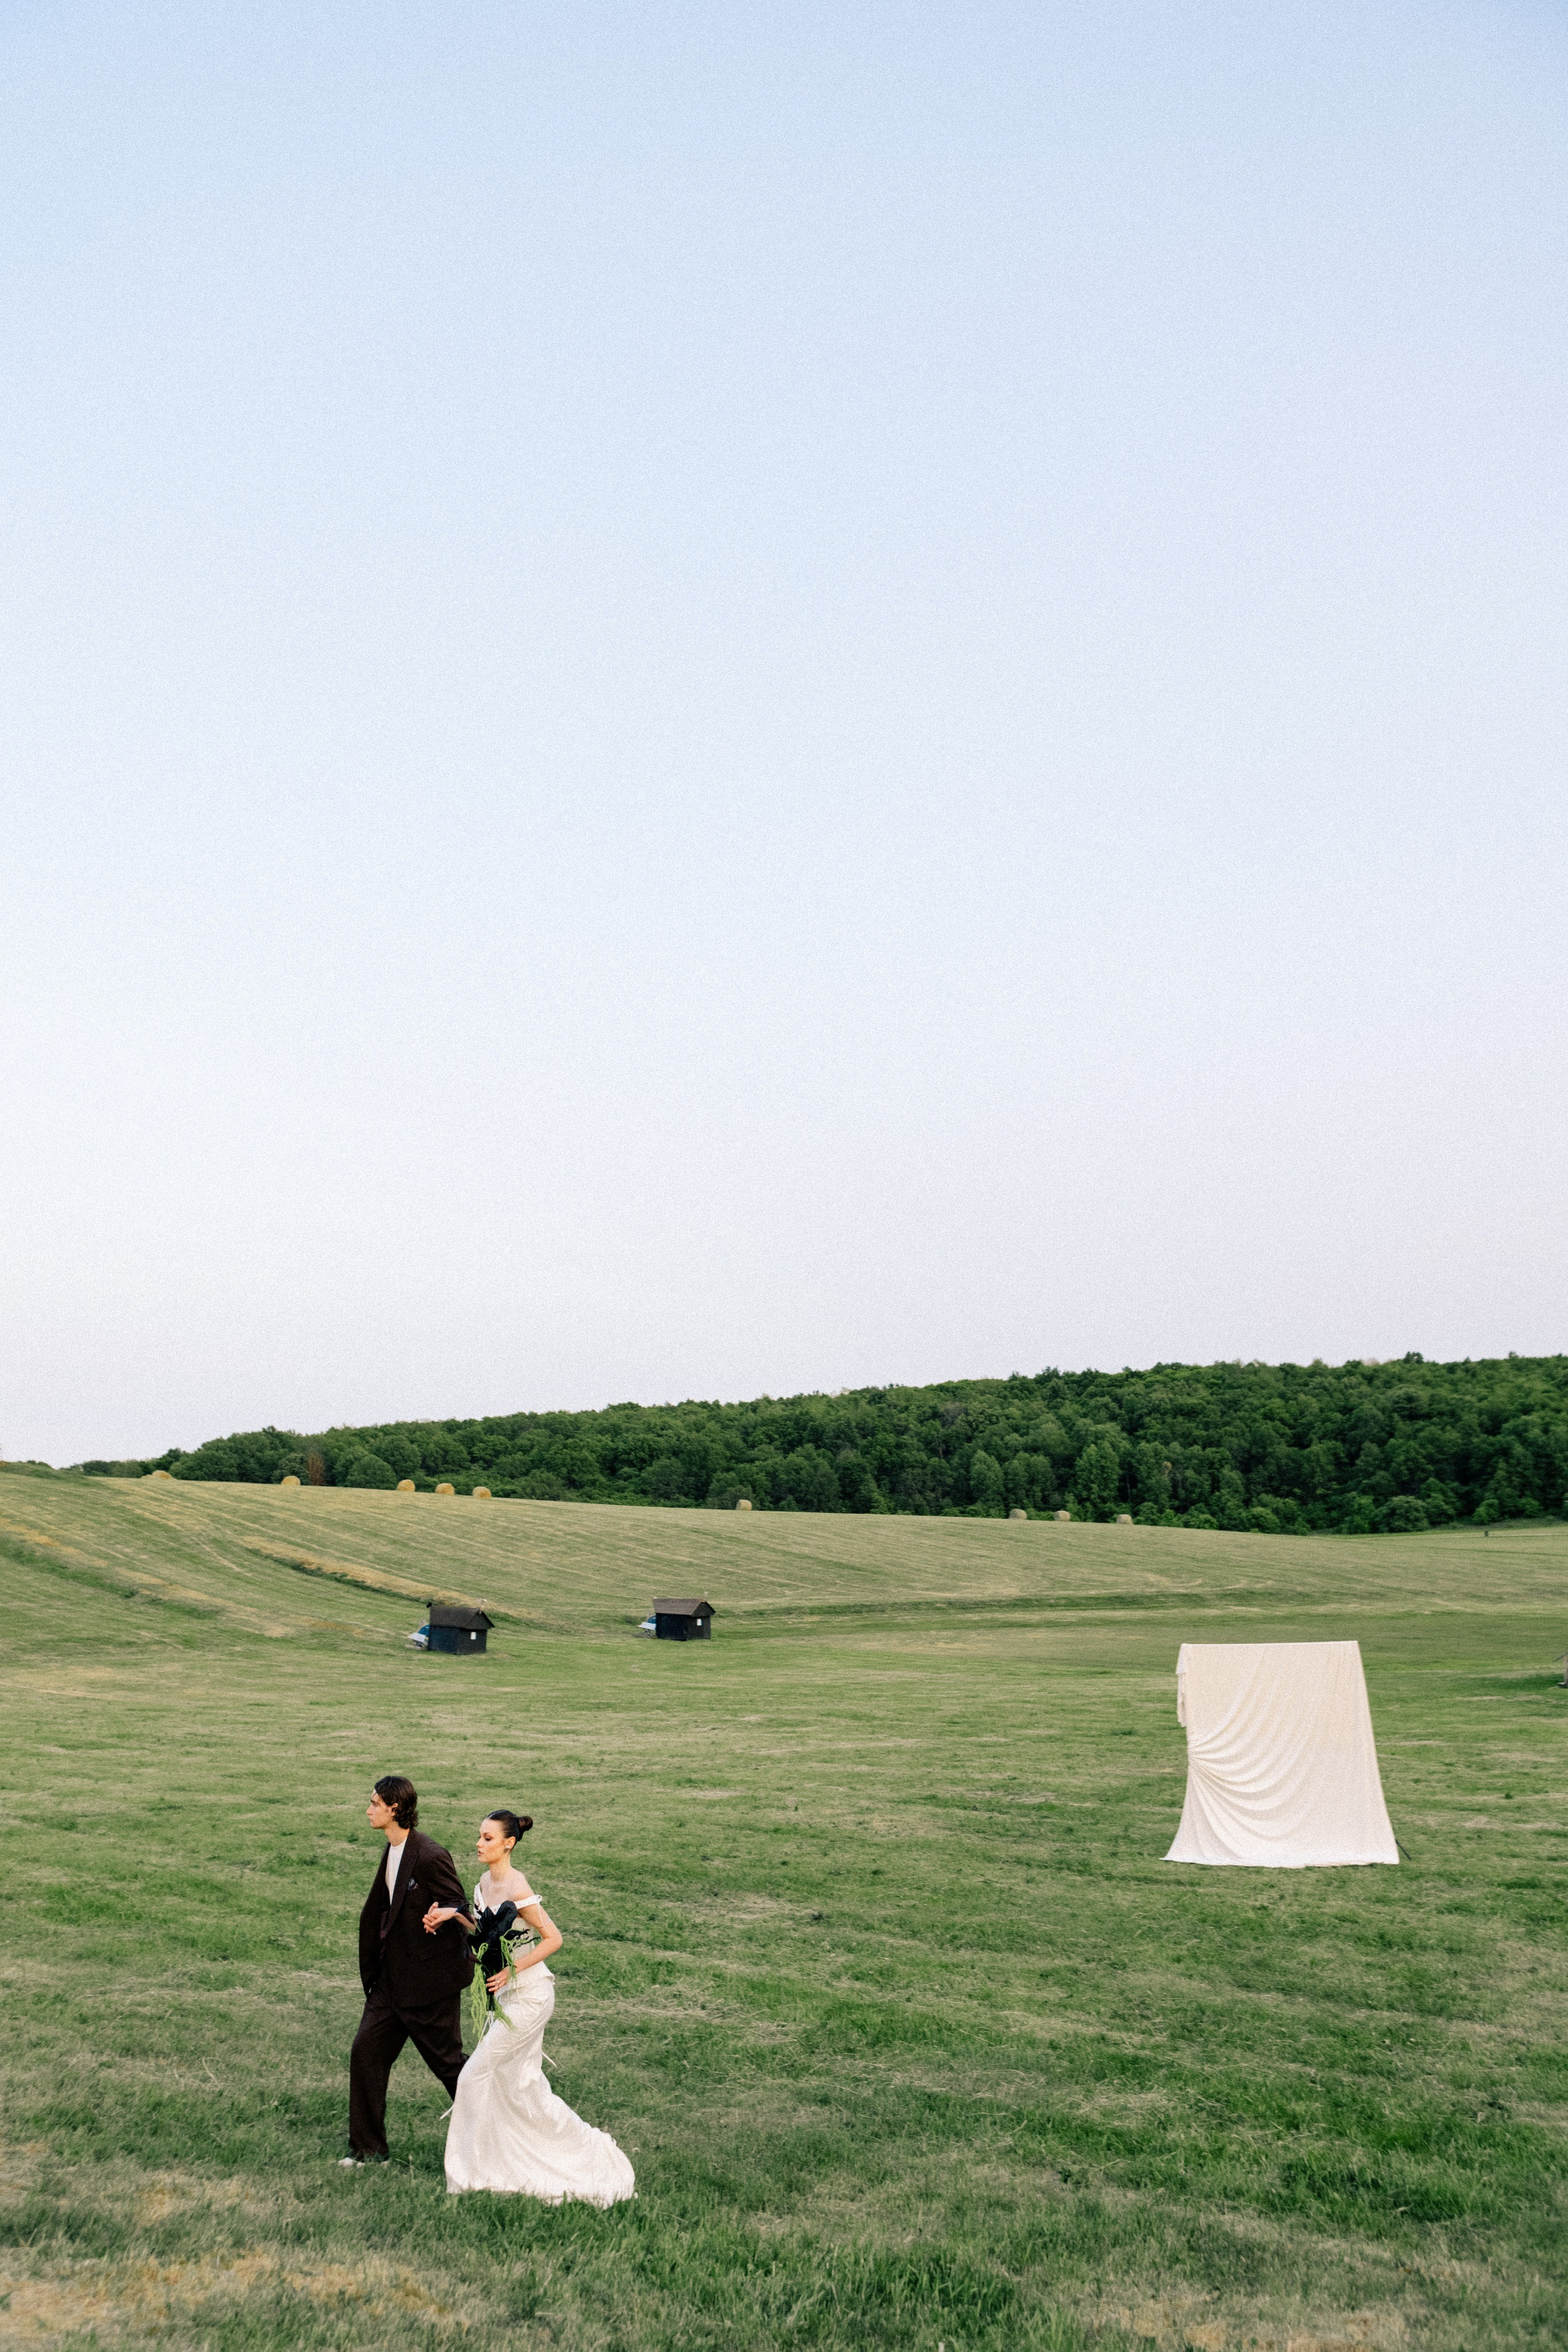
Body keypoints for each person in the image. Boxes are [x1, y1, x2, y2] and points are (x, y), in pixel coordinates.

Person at [424, 1809, 635, 2205]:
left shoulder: (517, 1885)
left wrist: (511, 1971)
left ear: (509, 1844)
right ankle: (538, 2156)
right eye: (479, 1836)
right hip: (506, 1999)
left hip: (532, 1996)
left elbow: (553, 1938)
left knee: (473, 2077)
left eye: (488, 1838)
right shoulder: (484, 1883)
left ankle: (465, 2176)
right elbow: (486, 1931)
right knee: (520, 2088)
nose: (479, 1843)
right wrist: (451, 1915)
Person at [343, 1775, 474, 2166]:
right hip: (391, 1983)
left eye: (374, 1804)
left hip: (428, 1986)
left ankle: (498, 2136)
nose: (368, 1810)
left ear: (395, 1809)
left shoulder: (430, 1855)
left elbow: (463, 1911)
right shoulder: (392, 1848)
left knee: (450, 2066)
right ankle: (369, 2152)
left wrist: (443, 1915)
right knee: (366, 2053)